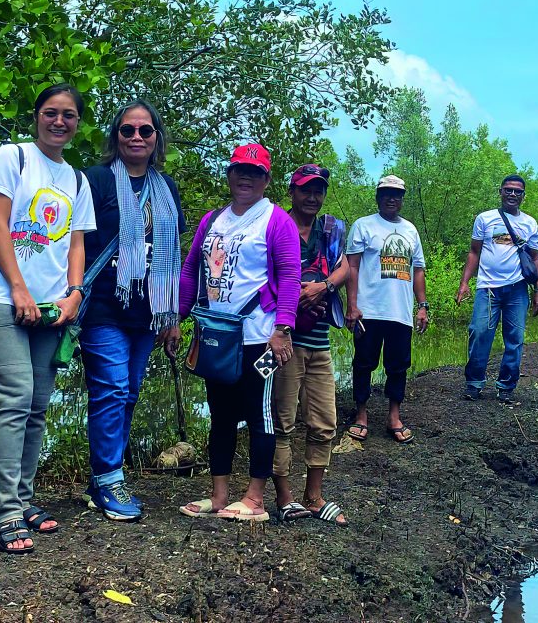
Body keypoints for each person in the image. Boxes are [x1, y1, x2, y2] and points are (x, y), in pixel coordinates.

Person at [0, 84, 96, 554]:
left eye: (68, 115)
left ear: (77, 122)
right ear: (37, 116)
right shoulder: (13, 157)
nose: (59, 122)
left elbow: (77, 244)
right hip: (3, 296)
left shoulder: (77, 180)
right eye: (50, 113)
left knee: (38, 403)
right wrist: (18, 288)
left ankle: (23, 499)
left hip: (52, 305)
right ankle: (5, 511)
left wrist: (74, 295)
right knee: (16, 396)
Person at [177, 144, 300, 523]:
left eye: (255, 172)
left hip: (260, 337)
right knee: (221, 415)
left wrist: (283, 328)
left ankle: (256, 500)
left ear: (266, 180)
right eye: (239, 171)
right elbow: (190, 269)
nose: (246, 178)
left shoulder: (276, 221)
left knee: (260, 413)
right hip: (217, 336)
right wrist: (176, 319)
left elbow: (291, 276)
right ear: (229, 175)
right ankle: (218, 496)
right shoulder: (213, 220)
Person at [78, 101, 187, 522]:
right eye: (128, 130)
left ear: (157, 137)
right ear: (116, 137)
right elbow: (75, 241)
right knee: (112, 388)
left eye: (145, 130)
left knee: (131, 391)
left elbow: (173, 254)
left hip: (149, 310)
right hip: (105, 303)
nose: (137, 137)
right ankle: (109, 479)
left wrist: (172, 315)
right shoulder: (97, 180)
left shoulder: (167, 186)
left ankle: (103, 477)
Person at [271, 164, 349, 525]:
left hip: (319, 340)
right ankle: (284, 496)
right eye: (305, 190)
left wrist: (324, 287)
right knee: (282, 420)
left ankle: (314, 496)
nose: (312, 197)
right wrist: (295, 295)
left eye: (318, 190)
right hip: (285, 340)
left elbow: (346, 266)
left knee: (324, 421)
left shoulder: (330, 229)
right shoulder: (276, 224)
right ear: (292, 191)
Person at [345, 175, 428, 445]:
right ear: (378, 197)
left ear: (402, 199)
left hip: (400, 312)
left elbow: (418, 270)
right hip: (369, 311)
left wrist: (422, 306)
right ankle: (361, 415)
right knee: (363, 363)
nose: (391, 199)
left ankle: (394, 416)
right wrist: (352, 305)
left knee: (398, 366)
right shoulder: (363, 226)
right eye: (386, 194)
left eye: (397, 194)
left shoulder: (410, 230)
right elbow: (352, 267)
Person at [457, 174, 538, 403]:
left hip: (517, 289)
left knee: (514, 339)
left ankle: (506, 386)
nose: (512, 194)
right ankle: (474, 383)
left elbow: (534, 258)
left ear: (523, 196)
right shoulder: (485, 219)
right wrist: (465, 282)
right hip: (488, 288)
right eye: (508, 190)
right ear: (501, 192)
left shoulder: (530, 223)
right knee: (479, 332)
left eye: (517, 191)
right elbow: (474, 252)